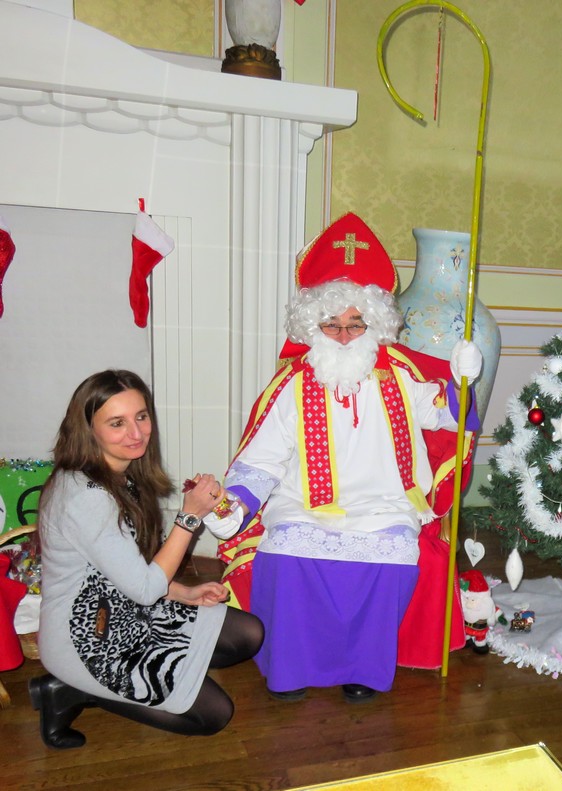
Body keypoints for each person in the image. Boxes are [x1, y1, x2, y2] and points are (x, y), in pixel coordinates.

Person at [207, 212, 481, 703]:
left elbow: (448, 416)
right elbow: (263, 460)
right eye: (331, 325)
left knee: (391, 558)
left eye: (356, 324)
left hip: (384, 505)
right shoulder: (292, 385)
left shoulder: (400, 377)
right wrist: (236, 503)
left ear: (375, 325)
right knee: (287, 554)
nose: (344, 336)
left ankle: (363, 669)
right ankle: (290, 669)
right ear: (311, 326)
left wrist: (463, 381)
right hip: (303, 506)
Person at [31, 370, 264, 749]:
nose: (136, 433)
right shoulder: (86, 497)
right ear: (88, 429)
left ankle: (171, 672)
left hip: (126, 606)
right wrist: (189, 517)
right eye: (117, 423)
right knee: (213, 715)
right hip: (89, 638)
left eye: (141, 416)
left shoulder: (118, 473)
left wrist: (181, 592)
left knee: (248, 634)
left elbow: (126, 570)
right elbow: (143, 588)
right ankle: (70, 691)